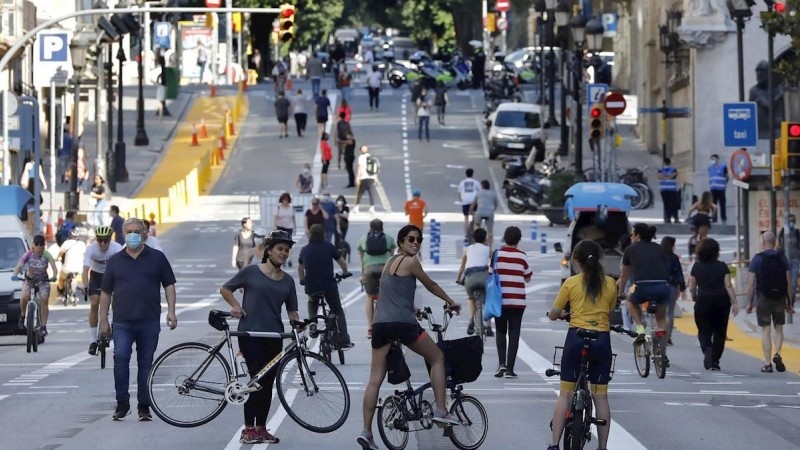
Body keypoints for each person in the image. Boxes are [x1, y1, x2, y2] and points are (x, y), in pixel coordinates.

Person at [357, 224, 461, 449]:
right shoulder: (411, 262)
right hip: (402, 325)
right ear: (402, 242)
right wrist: (451, 302)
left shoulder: (388, 262)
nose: (415, 242)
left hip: (381, 325)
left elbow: (391, 295)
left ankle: (367, 432)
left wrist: (413, 310)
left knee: (374, 379)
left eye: (419, 239)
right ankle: (441, 410)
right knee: (437, 358)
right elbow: (430, 285)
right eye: (410, 239)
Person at [220, 230, 299, 444]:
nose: (284, 253)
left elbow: (292, 311)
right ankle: (247, 430)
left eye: (287, 250)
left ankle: (261, 428)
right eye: (280, 249)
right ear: (269, 250)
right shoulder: (251, 272)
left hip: (274, 335)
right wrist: (236, 306)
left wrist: (299, 326)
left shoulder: (288, 281)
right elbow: (225, 289)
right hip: (250, 333)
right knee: (256, 380)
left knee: (268, 383)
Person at [99, 217, 177, 421]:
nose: (133, 235)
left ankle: (144, 406)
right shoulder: (115, 261)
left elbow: (169, 285)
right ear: (123, 235)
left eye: (137, 231)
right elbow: (105, 292)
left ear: (144, 234)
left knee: (146, 363)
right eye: (129, 232)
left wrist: (171, 311)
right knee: (121, 357)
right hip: (122, 322)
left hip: (149, 321)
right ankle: (122, 403)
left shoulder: (157, 257)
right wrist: (103, 320)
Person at [546, 240, 617, 450]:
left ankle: (554, 444)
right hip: (601, 339)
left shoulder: (570, 283)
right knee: (600, 396)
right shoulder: (611, 283)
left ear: (576, 261)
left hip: (575, 338)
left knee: (565, 394)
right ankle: (602, 447)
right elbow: (609, 311)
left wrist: (563, 315)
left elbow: (554, 314)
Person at [617, 223, 672, 364]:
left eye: (632, 234)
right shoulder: (660, 248)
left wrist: (621, 292)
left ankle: (640, 328)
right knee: (661, 319)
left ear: (638, 236)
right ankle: (662, 352)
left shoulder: (630, 250)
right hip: (662, 286)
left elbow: (624, 275)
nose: (631, 236)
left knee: (630, 300)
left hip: (641, 287)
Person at [298, 224, 353, 348]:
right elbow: (342, 262)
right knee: (337, 309)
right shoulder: (329, 246)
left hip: (311, 285)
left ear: (310, 234)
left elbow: (300, 269)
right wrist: (345, 273)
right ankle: (344, 339)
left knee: (312, 303)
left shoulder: (305, 249)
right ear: (323, 234)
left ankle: (313, 324)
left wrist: (302, 280)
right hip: (328, 284)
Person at [689, 238, 739, 371]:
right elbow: (728, 285)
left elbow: (692, 286)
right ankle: (715, 361)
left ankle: (707, 349)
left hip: (703, 300)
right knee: (720, 332)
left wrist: (694, 296)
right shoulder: (722, 266)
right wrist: (735, 303)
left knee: (703, 331)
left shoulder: (697, 266)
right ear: (717, 251)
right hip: (722, 301)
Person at [746, 231, 793, 373]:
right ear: (774, 243)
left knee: (766, 330)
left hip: (763, 298)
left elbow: (751, 283)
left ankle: (767, 364)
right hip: (779, 297)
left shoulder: (757, 259)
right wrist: (789, 302)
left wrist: (749, 302)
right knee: (779, 328)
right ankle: (778, 354)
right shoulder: (782, 258)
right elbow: (788, 282)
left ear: (763, 243)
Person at [492, 226, 532, 379]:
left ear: (504, 238)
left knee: (500, 331)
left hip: (500, 300)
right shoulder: (522, 256)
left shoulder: (497, 254)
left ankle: (501, 364)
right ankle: (510, 369)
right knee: (514, 333)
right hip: (517, 301)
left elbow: (491, 273)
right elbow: (528, 277)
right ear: (518, 240)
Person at [82, 226, 123, 354]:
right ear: (97, 239)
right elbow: (85, 270)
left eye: (105, 240)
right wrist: (85, 285)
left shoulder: (117, 248)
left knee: (116, 303)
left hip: (112, 277)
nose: (103, 243)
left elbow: (124, 268)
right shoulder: (91, 249)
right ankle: (93, 341)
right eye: (100, 240)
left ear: (110, 240)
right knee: (94, 303)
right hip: (96, 276)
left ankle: (114, 329)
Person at [358, 219, 396, 339]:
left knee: (369, 296)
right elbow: (392, 257)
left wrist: (363, 274)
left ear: (370, 228)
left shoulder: (363, 239)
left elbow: (362, 258)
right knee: (388, 296)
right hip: (385, 269)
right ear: (382, 228)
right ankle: (389, 325)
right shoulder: (389, 239)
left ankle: (370, 329)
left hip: (369, 270)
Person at [11, 235, 57, 333]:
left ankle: (43, 326)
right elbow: (19, 265)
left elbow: (54, 267)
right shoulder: (28, 255)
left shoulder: (47, 255)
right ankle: (23, 315)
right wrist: (15, 274)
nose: (39, 247)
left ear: (44, 246)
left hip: (43, 281)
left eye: (41, 244)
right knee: (24, 296)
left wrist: (54, 275)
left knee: (44, 299)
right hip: (29, 281)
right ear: (33, 245)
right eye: (37, 244)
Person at [456, 227, 493, 336]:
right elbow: (494, 264)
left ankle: (471, 320)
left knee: (471, 298)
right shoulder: (488, 249)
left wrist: (458, 278)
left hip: (470, 278)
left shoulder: (467, 249)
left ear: (473, 239)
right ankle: (489, 327)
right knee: (488, 300)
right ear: (485, 239)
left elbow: (462, 265)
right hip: (484, 278)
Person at [661, 236, 685, 345]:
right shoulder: (674, 257)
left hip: (659, 285)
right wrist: (682, 286)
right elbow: (679, 273)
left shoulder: (658, 256)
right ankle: (668, 336)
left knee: (660, 312)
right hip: (672, 285)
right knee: (670, 312)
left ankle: (660, 334)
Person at [57, 228, 87, 299]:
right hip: (79, 268)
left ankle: (61, 291)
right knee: (75, 277)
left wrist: (58, 258)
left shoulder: (66, 243)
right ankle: (74, 291)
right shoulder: (82, 244)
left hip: (67, 268)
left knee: (61, 278)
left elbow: (60, 254)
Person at [777, 213, 799, 305]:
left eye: (793, 220)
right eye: (790, 220)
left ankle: (791, 300)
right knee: (784, 281)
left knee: (793, 282)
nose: (791, 222)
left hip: (795, 259)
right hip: (784, 260)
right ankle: (785, 298)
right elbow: (778, 245)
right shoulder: (782, 232)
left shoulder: (797, 232)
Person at [470, 180, 498, 245]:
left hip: (480, 211)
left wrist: (470, 211)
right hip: (490, 212)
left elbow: (473, 203)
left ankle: (477, 238)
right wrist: (492, 211)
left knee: (476, 224)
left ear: (482, 186)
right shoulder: (493, 194)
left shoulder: (479, 193)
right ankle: (490, 246)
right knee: (490, 230)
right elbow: (495, 205)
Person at [353, 145, 379, 215]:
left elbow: (360, 167)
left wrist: (357, 177)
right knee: (371, 193)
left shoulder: (361, 157)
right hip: (372, 177)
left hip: (364, 177)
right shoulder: (372, 157)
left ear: (360, 151)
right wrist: (376, 178)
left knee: (360, 193)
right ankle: (372, 208)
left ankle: (356, 207)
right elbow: (375, 168)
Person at [458, 169, 481, 239]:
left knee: (466, 217)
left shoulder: (462, 183)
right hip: (473, 201)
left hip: (465, 201)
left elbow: (459, 193)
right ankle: (475, 234)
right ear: (472, 174)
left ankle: (466, 234)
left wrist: (462, 200)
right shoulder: (476, 182)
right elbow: (480, 192)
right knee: (474, 218)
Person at [658, 158, 680, 224]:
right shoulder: (672, 169)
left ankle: (669, 218)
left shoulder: (662, 169)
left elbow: (662, 176)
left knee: (670, 204)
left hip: (669, 190)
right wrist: (668, 176)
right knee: (670, 204)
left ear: (664, 162)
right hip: (669, 190)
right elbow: (660, 176)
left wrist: (664, 176)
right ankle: (671, 218)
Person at [708, 154, 728, 225]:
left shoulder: (723, 167)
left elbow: (726, 177)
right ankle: (714, 218)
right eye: (711, 159)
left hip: (721, 189)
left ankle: (723, 218)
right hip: (713, 189)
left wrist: (724, 184)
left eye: (714, 159)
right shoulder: (710, 168)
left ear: (717, 159)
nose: (712, 161)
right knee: (713, 204)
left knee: (722, 204)